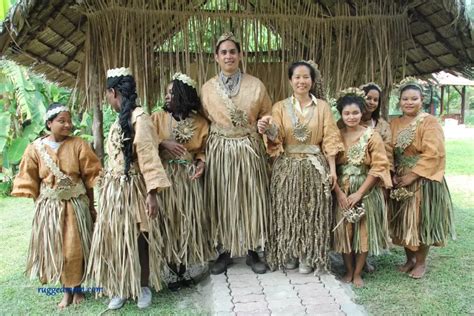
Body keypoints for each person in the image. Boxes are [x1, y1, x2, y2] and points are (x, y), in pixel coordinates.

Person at [87, 67, 171, 309]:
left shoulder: (140, 118)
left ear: (113, 92)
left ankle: (143, 286)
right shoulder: (120, 118)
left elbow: (148, 156)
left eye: (106, 93)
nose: (106, 98)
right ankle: (122, 286)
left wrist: (152, 194)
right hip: (115, 191)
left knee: (139, 238)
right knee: (117, 237)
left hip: (134, 187)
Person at [12, 103, 101, 308]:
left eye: (69, 121)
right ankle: (65, 292)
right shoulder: (35, 148)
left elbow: (90, 177)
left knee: (74, 249)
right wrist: (41, 209)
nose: (68, 125)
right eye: (62, 121)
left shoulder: (79, 144)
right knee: (58, 249)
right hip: (50, 210)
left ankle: (77, 289)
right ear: (49, 123)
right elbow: (30, 180)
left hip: (75, 205)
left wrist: (90, 205)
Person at [257, 61, 342, 273]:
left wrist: (332, 170)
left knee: (310, 210)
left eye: (306, 77)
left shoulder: (322, 107)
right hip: (287, 167)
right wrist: (267, 129)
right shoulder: (280, 107)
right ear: (290, 80)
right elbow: (276, 135)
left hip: (315, 167)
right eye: (297, 77)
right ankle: (291, 252)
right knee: (288, 209)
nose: (301, 81)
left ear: (312, 81)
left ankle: (307, 255)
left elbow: (331, 138)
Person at [201, 32, 272, 274]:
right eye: (224, 52)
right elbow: (203, 122)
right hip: (220, 151)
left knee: (250, 198)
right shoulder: (208, 88)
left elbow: (267, 114)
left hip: (249, 150)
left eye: (233, 51)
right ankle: (224, 251)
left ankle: (253, 250)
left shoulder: (256, 85)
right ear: (216, 57)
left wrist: (265, 125)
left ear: (241, 55)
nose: (229, 56)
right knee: (223, 199)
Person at [389, 77, 455, 279]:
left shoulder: (430, 122)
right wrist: (392, 173)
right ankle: (409, 259)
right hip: (399, 179)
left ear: (422, 100)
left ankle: (421, 262)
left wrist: (412, 175)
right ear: (399, 101)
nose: (409, 102)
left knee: (420, 221)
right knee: (403, 220)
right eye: (405, 99)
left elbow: (433, 153)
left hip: (422, 181)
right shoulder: (394, 123)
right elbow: (388, 150)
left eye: (414, 98)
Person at [151, 72, 211, 287]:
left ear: (183, 95)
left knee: (187, 221)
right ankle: (170, 268)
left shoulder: (201, 123)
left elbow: (203, 150)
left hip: (187, 181)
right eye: (166, 93)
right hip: (165, 179)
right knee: (168, 221)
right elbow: (145, 143)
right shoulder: (157, 119)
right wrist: (162, 143)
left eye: (171, 92)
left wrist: (201, 163)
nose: (167, 96)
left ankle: (185, 268)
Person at [332, 88, 391, 287]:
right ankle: (348, 270)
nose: (351, 117)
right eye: (347, 113)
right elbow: (330, 165)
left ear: (362, 112)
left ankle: (358, 272)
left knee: (363, 231)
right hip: (342, 190)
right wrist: (339, 193)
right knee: (345, 232)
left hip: (365, 191)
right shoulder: (335, 136)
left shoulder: (372, 136)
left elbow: (379, 166)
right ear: (341, 114)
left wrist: (359, 193)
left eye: (355, 113)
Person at [359, 82, 393, 169]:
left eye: (375, 100)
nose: (372, 102)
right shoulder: (348, 122)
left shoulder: (383, 126)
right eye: (368, 98)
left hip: (377, 172)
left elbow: (388, 153)